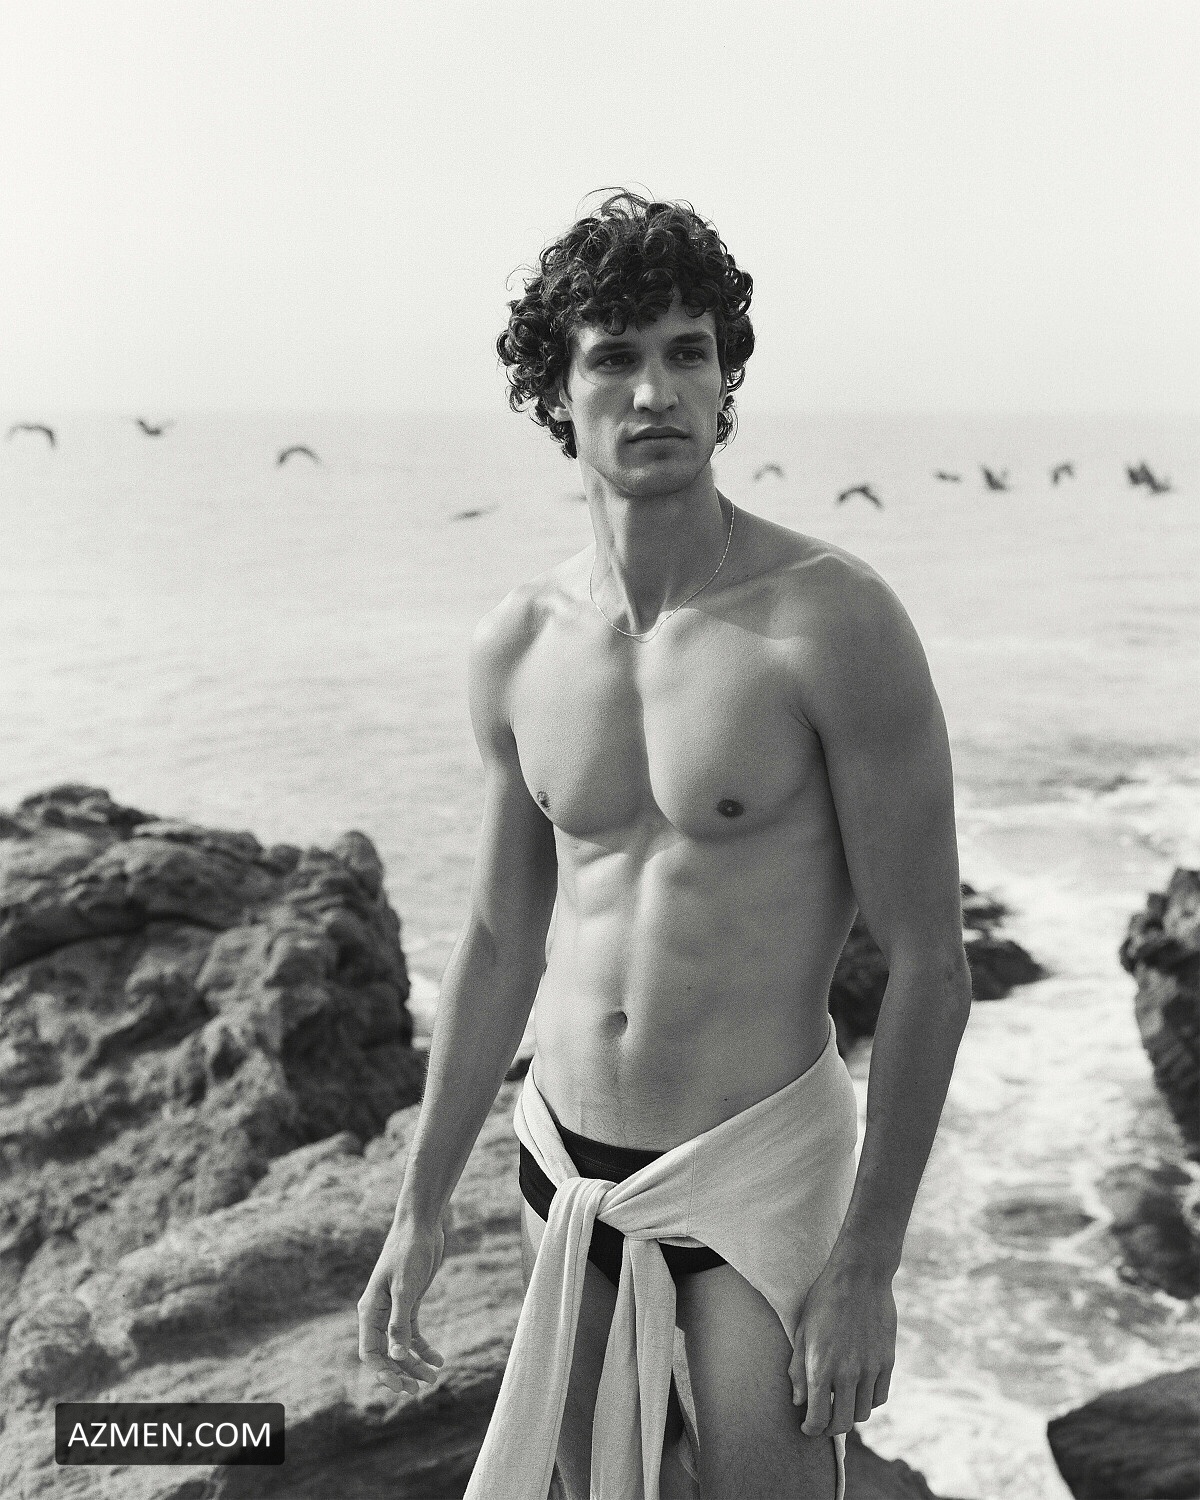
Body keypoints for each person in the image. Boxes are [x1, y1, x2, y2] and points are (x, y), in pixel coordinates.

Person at [358, 191, 973, 1500]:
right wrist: (419, 1205)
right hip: (564, 1162)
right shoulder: (520, 644)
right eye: (616, 358)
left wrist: (869, 1263)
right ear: (556, 392)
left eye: (689, 352)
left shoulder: (830, 623)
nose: (656, 392)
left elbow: (930, 959)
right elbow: (496, 940)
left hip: (757, 1169)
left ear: (725, 378)